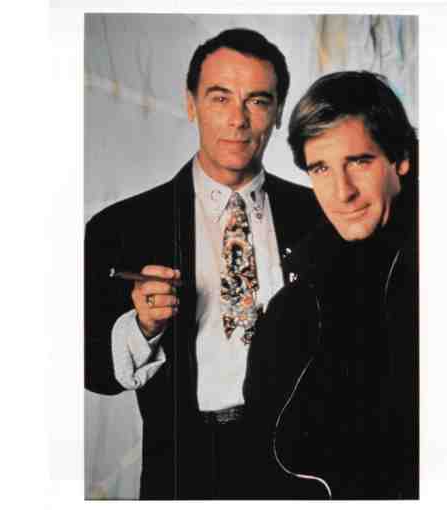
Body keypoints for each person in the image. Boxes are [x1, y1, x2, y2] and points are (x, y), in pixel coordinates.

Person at [84, 28, 322, 499]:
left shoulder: (322, 217)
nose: (237, 119)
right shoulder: (121, 226)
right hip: (185, 469)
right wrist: (143, 327)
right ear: (191, 103)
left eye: (257, 101)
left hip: (305, 463)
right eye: (220, 98)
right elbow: (93, 370)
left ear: (278, 112)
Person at [244, 70, 419, 499]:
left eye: (359, 162)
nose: (342, 192)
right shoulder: (298, 299)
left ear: (399, 159)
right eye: (321, 168)